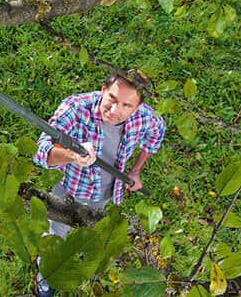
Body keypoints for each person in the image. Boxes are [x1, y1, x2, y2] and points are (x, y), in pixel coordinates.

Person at [33, 70, 166, 297]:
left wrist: (136, 170)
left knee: (92, 232)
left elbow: (156, 132)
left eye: (126, 106)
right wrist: (72, 155)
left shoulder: (144, 116)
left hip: (108, 193)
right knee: (56, 234)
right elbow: (42, 152)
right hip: (70, 190)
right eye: (112, 99)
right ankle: (46, 278)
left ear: (137, 107)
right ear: (103, 89)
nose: (115, 111)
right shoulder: (75, 108)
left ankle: (83, 267)